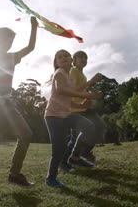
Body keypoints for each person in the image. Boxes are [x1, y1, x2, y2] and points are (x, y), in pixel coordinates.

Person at [0, 16, 38, 192]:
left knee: (26, 134)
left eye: (12, 40)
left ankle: (14, 174)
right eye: (8, 39)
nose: (11, 43)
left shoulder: (13, 57)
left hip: (8, 103)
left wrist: (34, 27)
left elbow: (30, 47)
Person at [44, 50, 103, 188]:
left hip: (65, 114)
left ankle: (75, 156)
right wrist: (88, 96)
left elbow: (68, 101)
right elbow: (60, 91)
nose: (63, 58)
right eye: (59, 57)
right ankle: (50, 178)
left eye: (66, 55)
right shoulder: (59, 73)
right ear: (56, 63)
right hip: (53, 116)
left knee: (88, 126)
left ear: (71, 59)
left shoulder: (70, 78)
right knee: (59, 148)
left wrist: (81, 104)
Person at [60, 50, 105, 173]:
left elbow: (81, 92)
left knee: (99, 126)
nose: (83, 59)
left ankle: (79, 154)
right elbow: (73, 90)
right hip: (74, 109)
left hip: (83, 108)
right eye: (80, 57)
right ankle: (67, 161)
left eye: (85, 58)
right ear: (74, 61)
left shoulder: (82, 74)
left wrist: (91, 96)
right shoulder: (73, 71)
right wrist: (92, 81)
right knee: (77, 137)